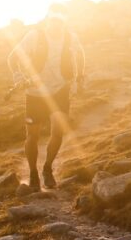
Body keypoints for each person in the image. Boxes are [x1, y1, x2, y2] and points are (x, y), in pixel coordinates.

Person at [7, 10, 86, 192]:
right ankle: (33, 173)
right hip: (35, 93)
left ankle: (47, 169)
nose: (56, 25)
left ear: (64, 23)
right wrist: (18, 76)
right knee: (32, 136)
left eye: (59, 21)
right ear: (47, 22)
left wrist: (80, 76)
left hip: (60, 91)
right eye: (53, 21)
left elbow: (80, 54)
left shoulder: (69, 38)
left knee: (58, 132)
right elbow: (12, 58)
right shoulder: (34, 36)